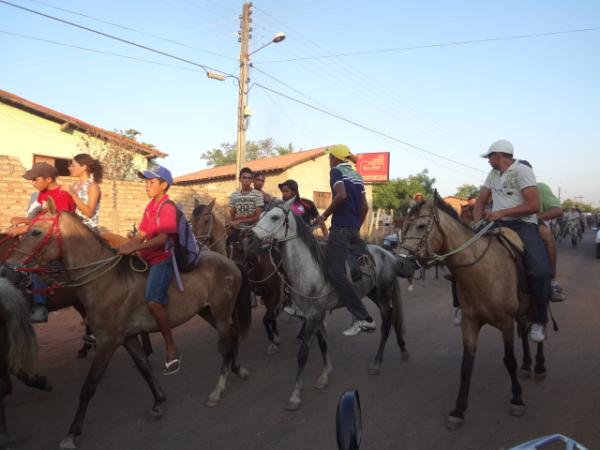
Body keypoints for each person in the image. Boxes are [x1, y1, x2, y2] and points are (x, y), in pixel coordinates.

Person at [473, 140, 553, 343]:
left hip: (523, 225)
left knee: (540, 271)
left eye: (489, 156)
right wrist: (475, 221)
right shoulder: (493, 174)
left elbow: (534, 205)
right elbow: (481, 200)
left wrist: (501, 212)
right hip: (496, 223)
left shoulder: (522, 171)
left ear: (499, 155)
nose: (488, 160)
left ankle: (539, 320)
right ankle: (462, 307)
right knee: (463, 252)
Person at [117, 166, 181, 375]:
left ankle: (171, 347)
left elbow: (162, 239)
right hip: (146, 257)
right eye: (146, 182)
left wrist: (135, 247)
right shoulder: (150, 206)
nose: (147, 185)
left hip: (162, 259)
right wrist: (127, 245)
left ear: (164, 185)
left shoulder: (167, 207)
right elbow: (143, 233)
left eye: (151, 182)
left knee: (153, 300)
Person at [314, 144, 375, 337]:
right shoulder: (358, 176)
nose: (329, 160)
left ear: (334, 158)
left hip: (340, 228)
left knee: (335, 273)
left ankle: (362, 317)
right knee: (356, 267)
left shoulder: (335, 171)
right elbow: (364, 207)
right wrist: (355, 225)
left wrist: (323, 216)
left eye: (329, 157)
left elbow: (341, 195)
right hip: (353, 229)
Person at [8, 162, 76, 323]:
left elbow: (54, 224)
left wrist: (24, 227)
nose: (33, 183)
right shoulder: (42, 194)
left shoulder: (62, 196)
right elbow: (41, 219)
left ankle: (40, 305)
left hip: (60, 239)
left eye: (35, 180)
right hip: (46, 237)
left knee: (34, 262)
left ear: (48, 179)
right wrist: (25, 220)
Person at [227, 167, 264, 251]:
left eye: (249, 178)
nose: (247, 180)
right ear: (239, 179)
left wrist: (240, 220)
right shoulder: (234, 195)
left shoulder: (257, 194)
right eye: (244, 178)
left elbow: (258, 216)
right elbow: (232, 214)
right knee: (228, 244)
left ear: (252, 180)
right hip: (238, 230)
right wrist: (233, 223)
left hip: (254, 230)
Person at [68, 154, 103, 233]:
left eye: (73, 166)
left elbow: (89, 213)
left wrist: (73, 195)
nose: (70, 168)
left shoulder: (93, 186)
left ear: (84, 167)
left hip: (89, 232)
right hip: (75, 229)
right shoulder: (75, 186)